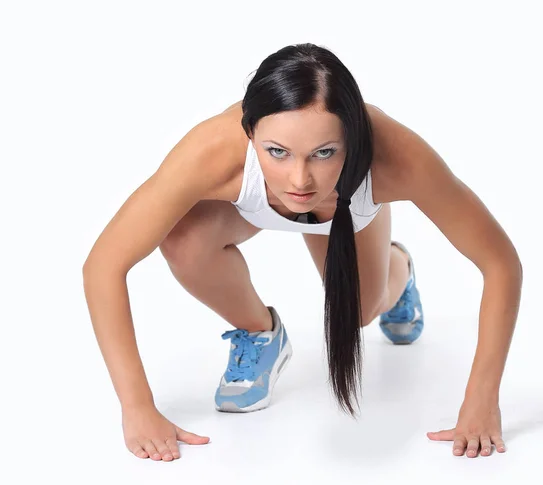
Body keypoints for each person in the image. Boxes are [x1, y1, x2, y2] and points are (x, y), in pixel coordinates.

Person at [83, 43, 520, 461]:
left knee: (362, 311)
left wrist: (482, 398)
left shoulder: (396, 158)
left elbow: (500, 263)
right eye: (277, 152)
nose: (300, 180)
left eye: (324, 153)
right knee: (181, 239)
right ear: (250, 133)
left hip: (347, 212)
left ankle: (398, 270)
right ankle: (260, 333)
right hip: (249, 208)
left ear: (352, 139)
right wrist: (137, 407)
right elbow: (104, 265)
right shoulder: (213, 152)